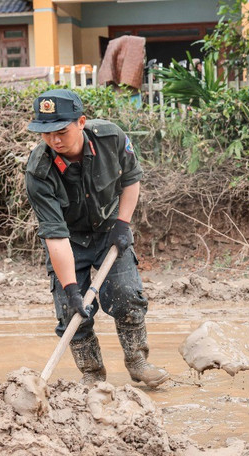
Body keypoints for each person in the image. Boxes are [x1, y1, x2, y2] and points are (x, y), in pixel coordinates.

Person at [25, 89, 170, 388]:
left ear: (81, 122)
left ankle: (138, 362)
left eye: (61, 131)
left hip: (108, 230)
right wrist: (71, 289)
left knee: (127, 295)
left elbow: (131, 179)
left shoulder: (110, 138)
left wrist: (122, 224)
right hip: (69, 239)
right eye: (46, 133)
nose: (54, 140)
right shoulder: (38, 170)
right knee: (70, 311)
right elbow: (55, 235)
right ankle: (92, 376)